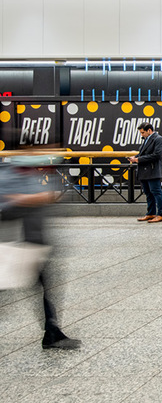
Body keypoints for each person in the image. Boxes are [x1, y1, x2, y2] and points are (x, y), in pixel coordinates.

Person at [0, 148, 81, 349]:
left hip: (33, 243)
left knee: (45, 286)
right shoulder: (8, 173)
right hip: (15, 244)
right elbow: (7, 203)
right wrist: (36, 198)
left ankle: (52, 332)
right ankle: (52, 331)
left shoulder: (31, 173)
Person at [130, 122, 162, 223]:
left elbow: (157, 155)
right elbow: (144, 153)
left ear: (149, 130)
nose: (141, 135)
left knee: (156, 192)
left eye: (143, 133)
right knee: (148, 193)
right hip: (145, 171)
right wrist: (136, 158)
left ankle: (161, 214)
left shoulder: (159, 139)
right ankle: (151, 213)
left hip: (153, 170)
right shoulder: (147, 140)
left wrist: (139, 159)